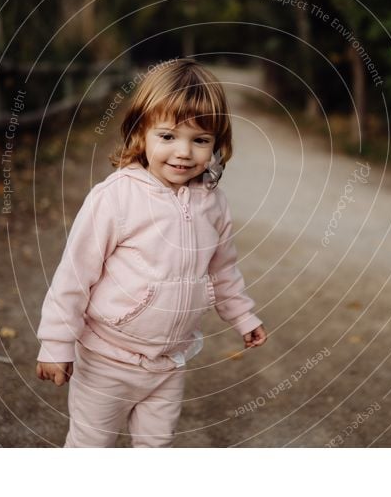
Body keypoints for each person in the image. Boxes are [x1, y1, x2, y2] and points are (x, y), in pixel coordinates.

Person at [35, 58, 268, 447]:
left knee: (156, 450)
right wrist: (56, 343)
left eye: (200, 140)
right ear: (140, 132)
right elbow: (74, 275)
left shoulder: (213, 204)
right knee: (91, 448)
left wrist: (243, 315)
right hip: (108, 358)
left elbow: (223, 270)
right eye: (168, 136)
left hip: (168, 365)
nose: (184, 153)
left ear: (217, 144)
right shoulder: (116, 197)